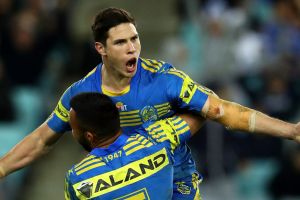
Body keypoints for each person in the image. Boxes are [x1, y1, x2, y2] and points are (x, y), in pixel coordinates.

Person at [0, 7, 300, 199]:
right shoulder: (80, 95)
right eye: (121, 42)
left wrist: (290, 131)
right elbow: (41, 139)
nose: (133, 48)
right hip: (116, 182)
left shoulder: (165, 80)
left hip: (174, 185)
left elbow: (221, 111)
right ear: (100, 48)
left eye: (135, 39)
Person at [65, 92, 201, 199]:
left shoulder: (78, 179)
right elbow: (203, 108)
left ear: (89, 136)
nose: (72, 133)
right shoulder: (157, 137)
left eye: (73, 128)